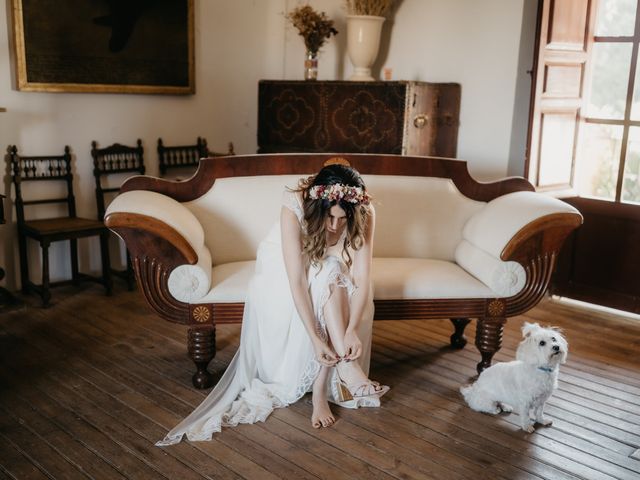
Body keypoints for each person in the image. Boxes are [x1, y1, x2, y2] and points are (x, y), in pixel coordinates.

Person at [156, 163, 388, 445]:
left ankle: (325, 383)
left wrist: (352, 329)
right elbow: (297, 282)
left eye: (343, 220)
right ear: (318, 206)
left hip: (333, 270)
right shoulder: (295, 205)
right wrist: (315, 338)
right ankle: (346, 366)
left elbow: (362, 276)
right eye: (329, 217)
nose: (335, 226)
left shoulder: (365, 210)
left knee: (333, 272)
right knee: (327, 273)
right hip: (284, 268)